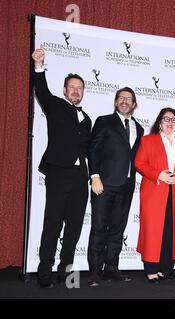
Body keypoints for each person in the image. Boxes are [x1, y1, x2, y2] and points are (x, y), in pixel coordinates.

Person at [32, 44, 92, 288]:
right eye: (72, 88)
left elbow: (88, 150)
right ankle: (44, 271)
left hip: (80, 177)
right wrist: (38, 65)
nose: (76, 92)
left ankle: (66, 273)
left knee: (75, 226)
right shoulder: (55, 105)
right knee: (53, 222)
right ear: (65, 90)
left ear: (83, 93)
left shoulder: (86, 119)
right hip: (58, 173)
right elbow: (42, 91)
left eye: (79, 88)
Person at [87, 87, 144, 287]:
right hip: (104, 184)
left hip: (127, 186)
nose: (124, 101)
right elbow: (93, 149)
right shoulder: (104, 121)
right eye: (121, 98)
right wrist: (94, 176)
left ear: (134, 104)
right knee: (99, 228)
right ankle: (94, 272)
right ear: (115, 102)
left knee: (117, 230)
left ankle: (111, 269)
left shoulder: (139, 127)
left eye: (128, 99)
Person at [134, 108, 175, 284]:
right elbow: (139, 163)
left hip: (174, 193)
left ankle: (165, 268)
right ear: (159, 122)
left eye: (173, 120)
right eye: (166, 119)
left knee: (170, 229)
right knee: (152, 231)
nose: (169, 122)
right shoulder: (148, 141)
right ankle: (151, 269)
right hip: (154, 191)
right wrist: (158, 175)